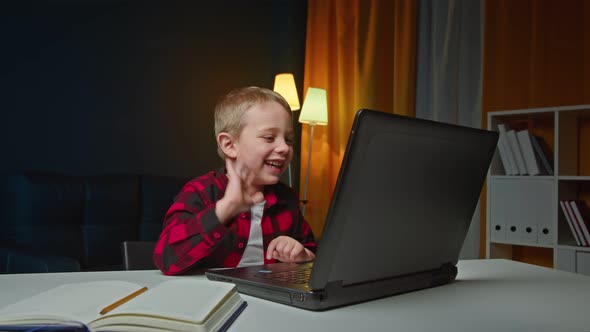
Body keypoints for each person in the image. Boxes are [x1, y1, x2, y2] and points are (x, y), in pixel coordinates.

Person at [153, 86, 317, 275]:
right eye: (269, 137)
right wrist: (225, 208)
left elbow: (313, 252)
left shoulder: (287, 199)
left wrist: (302, 254)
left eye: (289, 140)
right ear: (229, 145)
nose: (284, 148)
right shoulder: (199, 192)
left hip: (266, 297)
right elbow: (166, 258)